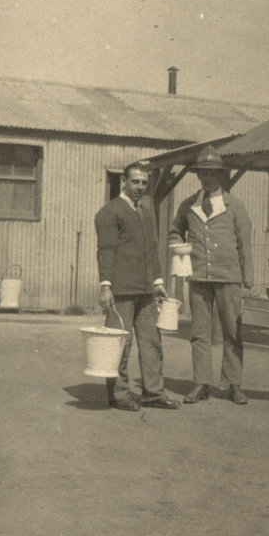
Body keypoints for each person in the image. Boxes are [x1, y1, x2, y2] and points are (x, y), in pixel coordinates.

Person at [168, 146, 254, 405]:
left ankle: (234, 384)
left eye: (213, 173)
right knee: (199, 332)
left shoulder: (235, 206)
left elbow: (245, 244)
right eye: (204, 173)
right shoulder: (188, 205)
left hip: (229, 278)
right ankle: (200, 384)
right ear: (198, 175)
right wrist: (179, 247)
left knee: (232, 332)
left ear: (221, 175)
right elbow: (174, 231)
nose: (208, 178)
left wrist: (247, 280)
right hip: (199, 278)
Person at [95, 162, 181, 411]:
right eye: (135, 182)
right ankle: (119, 395)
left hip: (146, 292)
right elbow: (106, 251)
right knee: (120, 345)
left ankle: (153, 393)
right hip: (121, 291)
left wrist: (158, 281)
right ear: (124, 181)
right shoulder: (109, 212)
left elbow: (152, 249)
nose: (140, 187)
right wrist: (105, 286)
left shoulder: (145, 211)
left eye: (144, 182)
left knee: (152, 343)